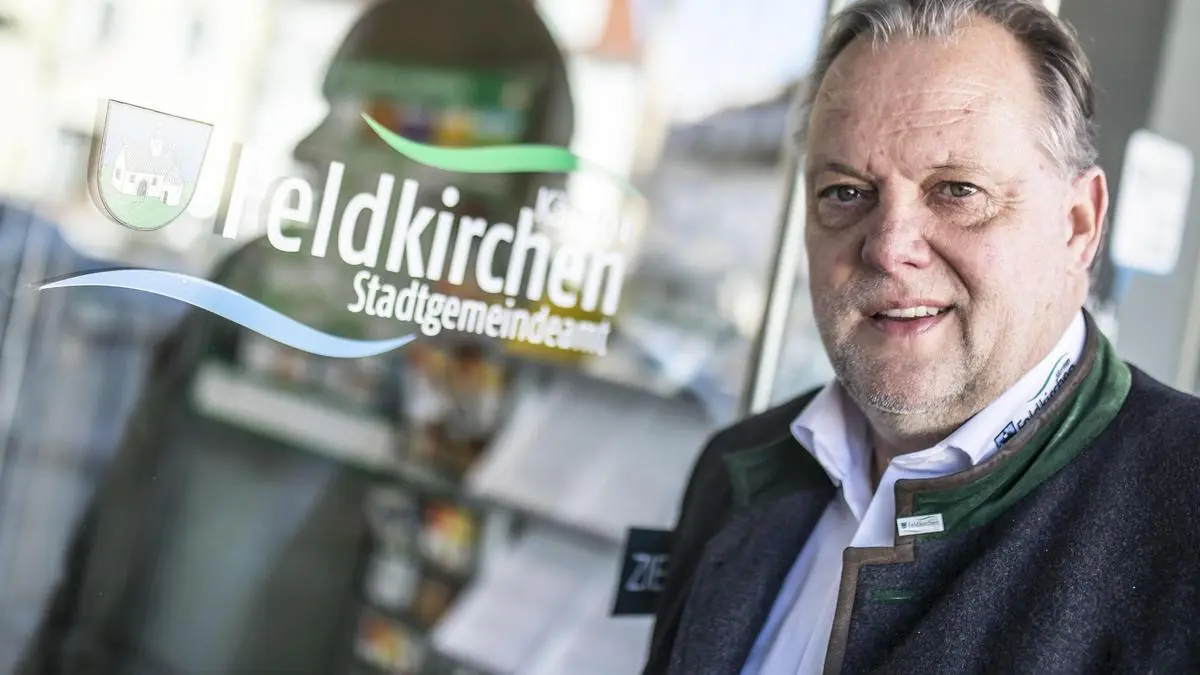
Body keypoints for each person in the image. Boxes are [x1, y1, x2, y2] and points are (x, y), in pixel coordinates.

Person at [642, 1, 1200, 673]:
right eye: (845, 193)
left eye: (957, 190)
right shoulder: (733, 472)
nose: (888, 247)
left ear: (1078, 224)